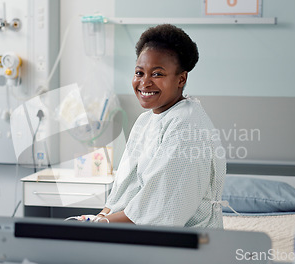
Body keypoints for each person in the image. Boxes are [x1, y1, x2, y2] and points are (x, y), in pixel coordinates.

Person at [95, 24, 226, 228]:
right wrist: (98, 217)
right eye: (139, 73)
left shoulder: (187, 126)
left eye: (157, 74)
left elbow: (160, 209)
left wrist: (97, 224)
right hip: (139, 231)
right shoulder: (145, 121)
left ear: (181, 79)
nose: (144, 82)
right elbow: (124, 188)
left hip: (189, 242)